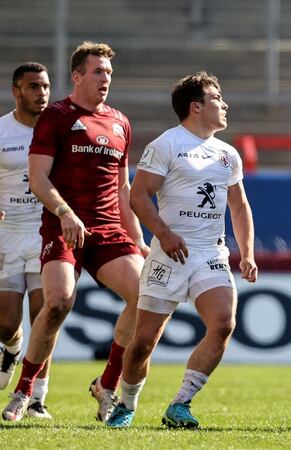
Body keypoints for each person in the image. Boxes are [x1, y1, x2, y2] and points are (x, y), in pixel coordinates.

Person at [1, 42, 149, 423]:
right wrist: (65, 212)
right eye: (98, 72)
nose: (105, 80)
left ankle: (107, 385)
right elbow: (38, 178)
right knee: (59, 303)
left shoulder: (120, 122)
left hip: (107, 229)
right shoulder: (56, 117)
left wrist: (138, 239)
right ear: (78, 76)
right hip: (62, 225)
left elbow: (123, 189)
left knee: (144, 294)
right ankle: (24, 391)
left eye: (109, 73)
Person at [104, 72, 257, 429]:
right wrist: (164, 233)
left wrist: (246, 252)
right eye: (218, 98)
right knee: (142, 343)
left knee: (223, 324)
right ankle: (126, 404)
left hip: (210, 253)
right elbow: (137, 195)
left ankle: (180, 404)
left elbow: (239, 206)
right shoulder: (167, 145)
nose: (225, 104)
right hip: (168, 255)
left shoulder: (228, 154)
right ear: (196, 106)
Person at [0, 62, 54, 419]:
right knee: (6, 323)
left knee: (45, 315)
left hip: (44, 232)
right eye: (33, 87)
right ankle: (12, 349)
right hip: (7, 234)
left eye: (46, 86)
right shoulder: (2, 131)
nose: (42, 93)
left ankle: (36, 398)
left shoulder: (59, 128)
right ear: (16, 91)